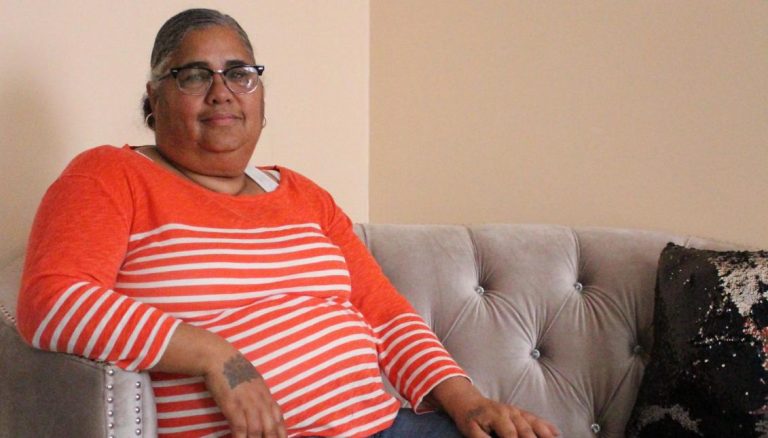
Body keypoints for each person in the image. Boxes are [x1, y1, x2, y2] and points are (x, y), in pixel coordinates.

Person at [16, 8, 560, 438]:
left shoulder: (303, 194)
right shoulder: (110, 175)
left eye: (240, 74)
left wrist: (468, 402)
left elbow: (386, 316)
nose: (222, 90)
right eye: (194, 75)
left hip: (385, 426)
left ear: (261, 98)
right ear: (152, 101)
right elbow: (51, 301)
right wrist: (217, 355)